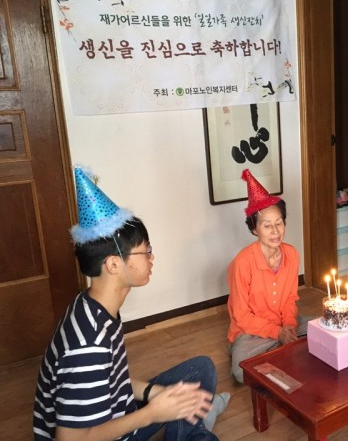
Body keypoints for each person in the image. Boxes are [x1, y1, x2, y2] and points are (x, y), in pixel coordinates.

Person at [33, 167, 229, 441]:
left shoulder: (95, 305)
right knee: (193, 418)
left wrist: (155, 394)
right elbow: (71, 439)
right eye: (145, 251)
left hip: (118, 413)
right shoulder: (87, 345)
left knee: (201, 369)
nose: (152, 258)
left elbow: (115, 382)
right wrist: (152, 413)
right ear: (114, 264)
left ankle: (193, 426)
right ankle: (195, 428)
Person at [227, 169, 311, 384]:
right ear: (255, 229)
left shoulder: (291, 254)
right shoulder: (242, 262)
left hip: (284, 323)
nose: (275, 231)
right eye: (267, 225)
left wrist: (289, 326)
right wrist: (278, 333)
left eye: (279, 223)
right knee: (241, 373)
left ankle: (279, 352)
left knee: (325, 332)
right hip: (251, 332)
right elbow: (242, 316)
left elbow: (290, 298)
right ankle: (279, 351)